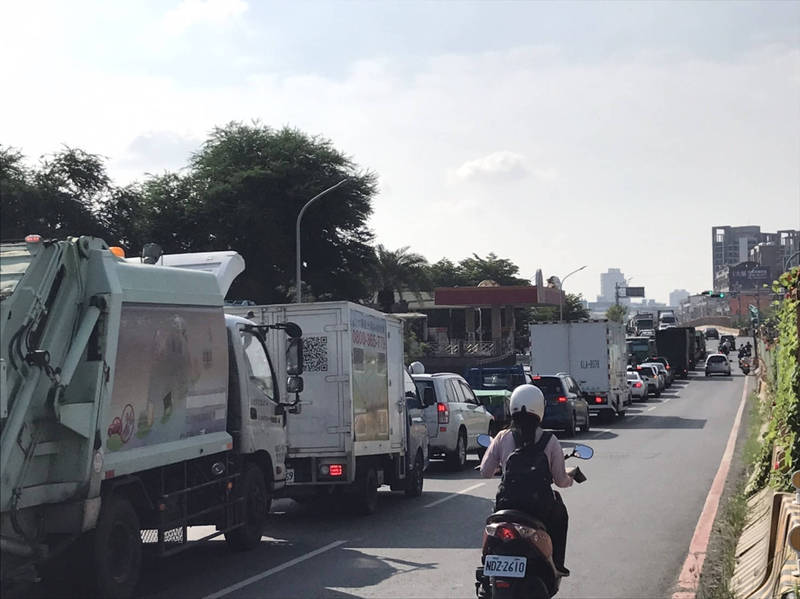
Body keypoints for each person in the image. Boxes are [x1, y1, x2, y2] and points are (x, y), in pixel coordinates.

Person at [479, 384, 574, 577]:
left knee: (492, 523)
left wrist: (501, 467)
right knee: (561, 515)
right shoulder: (550, 441)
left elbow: (485, 472)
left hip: (507, 504)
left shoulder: (502, 437)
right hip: (539, 508)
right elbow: (560, 480)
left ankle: (487, 561)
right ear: (540, 408)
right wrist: (570, 478)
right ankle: (557, 564)